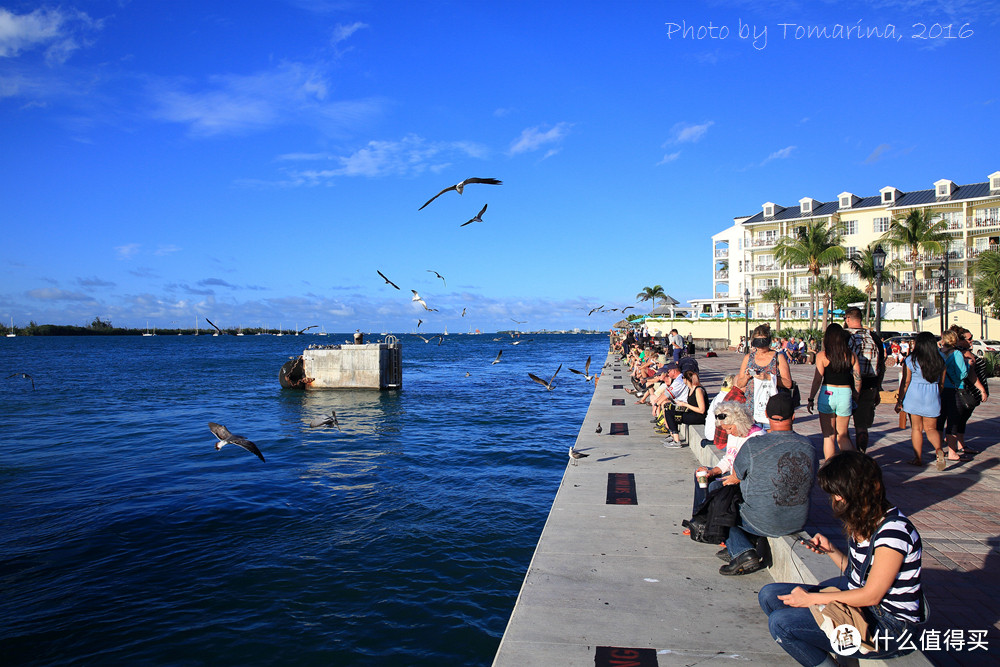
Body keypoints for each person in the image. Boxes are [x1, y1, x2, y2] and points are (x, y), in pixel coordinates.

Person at [758, 451, 925, 666]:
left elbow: (871, 595)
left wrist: (811, 600)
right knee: (770, 595)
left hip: (890, 626)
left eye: (840, 493)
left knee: (782, 624)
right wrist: (831, 551)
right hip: (866, 607)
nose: (836, 499)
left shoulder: (893, 533)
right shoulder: (864, 517)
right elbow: (858, 575)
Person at [718, 393, 816, 575]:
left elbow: (736, 476)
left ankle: (742, 552)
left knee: (723, 506)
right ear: (793, 416)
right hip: (798, 520)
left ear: (766, 414)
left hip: (763, 521)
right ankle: (746, 543)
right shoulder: (808, 446)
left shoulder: (754, 444)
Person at [691, 399, 764, 512]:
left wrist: (736, 478)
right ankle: (698, 518)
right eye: (726, 430)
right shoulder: (735, 434)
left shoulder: (756, 437)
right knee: (701, 476)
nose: (728, 432)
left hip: (743, 478)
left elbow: (755, 469)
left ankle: (707, 520)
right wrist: (713, 471)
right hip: (731, 472)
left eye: (729, 428)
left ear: (740, 423)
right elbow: (728, 458)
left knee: (715, 486)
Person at [807, 323, 861, 461]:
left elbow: (817, 379)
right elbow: (858, 378)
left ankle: (830, 467)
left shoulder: (822, 356)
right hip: (845, 393)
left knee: (828, 436)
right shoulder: (851, 355)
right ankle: (855, 464)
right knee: (842, 435)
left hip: (827, 393)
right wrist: (856, 394)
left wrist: (811, 398)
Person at [896, 331, 946, 469]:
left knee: (916, 428)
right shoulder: (940, 359)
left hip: (914, 395)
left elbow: (905, 382)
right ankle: (938, 449)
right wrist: (937, 393)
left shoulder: (911, 360)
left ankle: (917, 458)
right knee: (931, 428)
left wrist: (900, 400)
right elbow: (941, 383)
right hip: (932, 395)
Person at [938, 329, 986, 462]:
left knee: (940, 421)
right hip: (955, 389)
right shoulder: (957, 354)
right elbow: (962, 374)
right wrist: (968, 364)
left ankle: (939, 450)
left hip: (940, 390)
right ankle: (952, 452)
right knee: (953, 422)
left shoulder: (938, 353)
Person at [843, 308, 884, 453]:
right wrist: (878, 387)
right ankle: (861, 453)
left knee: (842, 425)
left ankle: (847, 454)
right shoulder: (874, 337)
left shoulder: (846, 337)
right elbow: (881, 365)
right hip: (869, 385)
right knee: (862, 426)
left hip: (847, 386)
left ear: (848, 319)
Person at [735, 324, 793, 424]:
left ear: (769, 341)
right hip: (751, 408)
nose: (761, 347)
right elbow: (740, 384)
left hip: (772, 408)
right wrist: (747, 376)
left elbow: (788, 383)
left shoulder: (778, 357)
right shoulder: (748, 358)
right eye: (758, 343)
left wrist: (769, 377)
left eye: (764, 343)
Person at [953, 327, 989, 456]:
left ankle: (960, 444)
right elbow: (970, 375)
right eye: (969, 338)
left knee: (962, 419)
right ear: (960, 340)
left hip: (969, 392)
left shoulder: (964, 352)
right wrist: (982, 390)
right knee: (960, 419)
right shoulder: (962, 354)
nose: (972, 340)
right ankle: (958, 445)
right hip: (966, 391)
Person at [663, 370, 708, 448]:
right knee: (669, 409)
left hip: (699, 417)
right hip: (692, 413)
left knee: (671, 414)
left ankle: (677, 441)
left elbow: (702, 410)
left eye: (683, 378)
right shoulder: (690, 389)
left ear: (686, 379)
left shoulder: (698, 390)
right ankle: (673, 436)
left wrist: (685, 405)